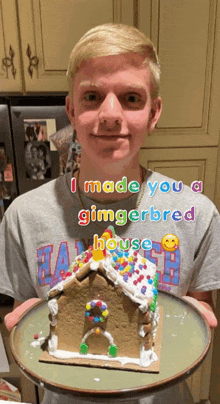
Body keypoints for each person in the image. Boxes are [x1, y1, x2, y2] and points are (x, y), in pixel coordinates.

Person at [0, 23, 219, 404]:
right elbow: (26, 315)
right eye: (92, 96)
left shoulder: (196, 214)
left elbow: (199, 311)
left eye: (132, 98)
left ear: (154, 113)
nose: (110, 114)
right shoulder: (23, 217)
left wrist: (197, 317)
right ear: (71, 109)